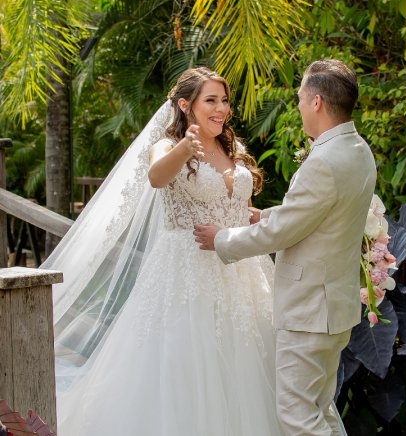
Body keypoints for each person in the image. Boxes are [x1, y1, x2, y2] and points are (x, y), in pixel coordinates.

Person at [41, 67, 283, 435]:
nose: (222, 109)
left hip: (241, 269)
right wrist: (187, 146)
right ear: (186, 105)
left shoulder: (234, 148)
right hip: (186, 270)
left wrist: (257, 221)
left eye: (225, 100)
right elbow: (156, 177)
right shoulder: (168, 146)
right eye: (211, 100)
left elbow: (240, 206)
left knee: (246, 363)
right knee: (187, 364)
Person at [194, 59, 377, 435]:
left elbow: (282, 235)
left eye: (300, 97)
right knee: (320, 410)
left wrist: (221, 239)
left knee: (297, 418)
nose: (297, 105)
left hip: (309, 310)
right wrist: (268, 215)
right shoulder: (359, 151)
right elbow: (321, 213)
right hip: (333, 307)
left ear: (317, 103)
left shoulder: (323, 161)